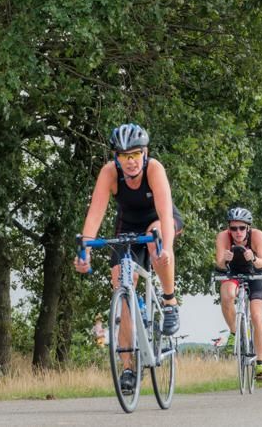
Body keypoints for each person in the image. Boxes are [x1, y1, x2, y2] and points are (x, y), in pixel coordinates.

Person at [74, 123, 184, 392]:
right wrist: (84, 250)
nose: (131, 161)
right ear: (116, 157)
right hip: (127, 227)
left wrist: (167, 247)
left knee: (157, 246)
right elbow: (95, 214)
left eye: (135, 154)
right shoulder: (110, 173)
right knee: (121, 285)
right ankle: (127, 368)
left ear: (144, 153)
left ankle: (169, 301)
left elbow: (165, 214)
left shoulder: (154, 169)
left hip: (160, 220)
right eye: (125, 156)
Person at [215, 206, 262, 381]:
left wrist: (253, 258)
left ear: (248, 227)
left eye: (241, 228)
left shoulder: (257, 236)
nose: (237, 232)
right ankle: (234, 332)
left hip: (255, 275)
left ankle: (261, 363)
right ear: (229, 228)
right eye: (233, 228)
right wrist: (225, 259)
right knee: (227, 295)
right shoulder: (223, 237)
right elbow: (219, 266)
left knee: (256, 315)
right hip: (233, 274)